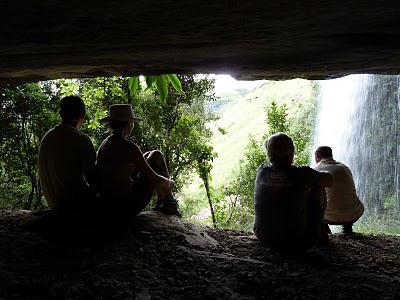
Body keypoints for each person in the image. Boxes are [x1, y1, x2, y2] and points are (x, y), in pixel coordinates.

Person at [96, 104, 181, 222]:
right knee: (157, 155)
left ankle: (165, 202)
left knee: (150, 154)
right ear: (129, 124)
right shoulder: (128, 147)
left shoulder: (105, 144)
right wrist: (169, 182)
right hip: (126, 207)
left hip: (107, 204)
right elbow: (154, 178)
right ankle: (168, 202)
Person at [253, 132, 333, 251]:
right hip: (298, 241)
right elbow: (330, 181)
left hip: (263, 237)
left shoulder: (262, 172)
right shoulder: (302, 174)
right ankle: (320, 232)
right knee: (318, 186)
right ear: (291, 153)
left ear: (269, 154)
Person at [38, 95, 96, 214]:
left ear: (61, 114)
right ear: (82, 116)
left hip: (54, 205)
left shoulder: (48, 137)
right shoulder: (81, 139)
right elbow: (94, 179)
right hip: (76, 206)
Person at [314, 146, 364, 235]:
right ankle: (347, 228)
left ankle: (324, 230)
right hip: (354, 212)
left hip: (329, 216)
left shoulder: (316, 170)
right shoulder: (344, 167)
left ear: (317, 156)